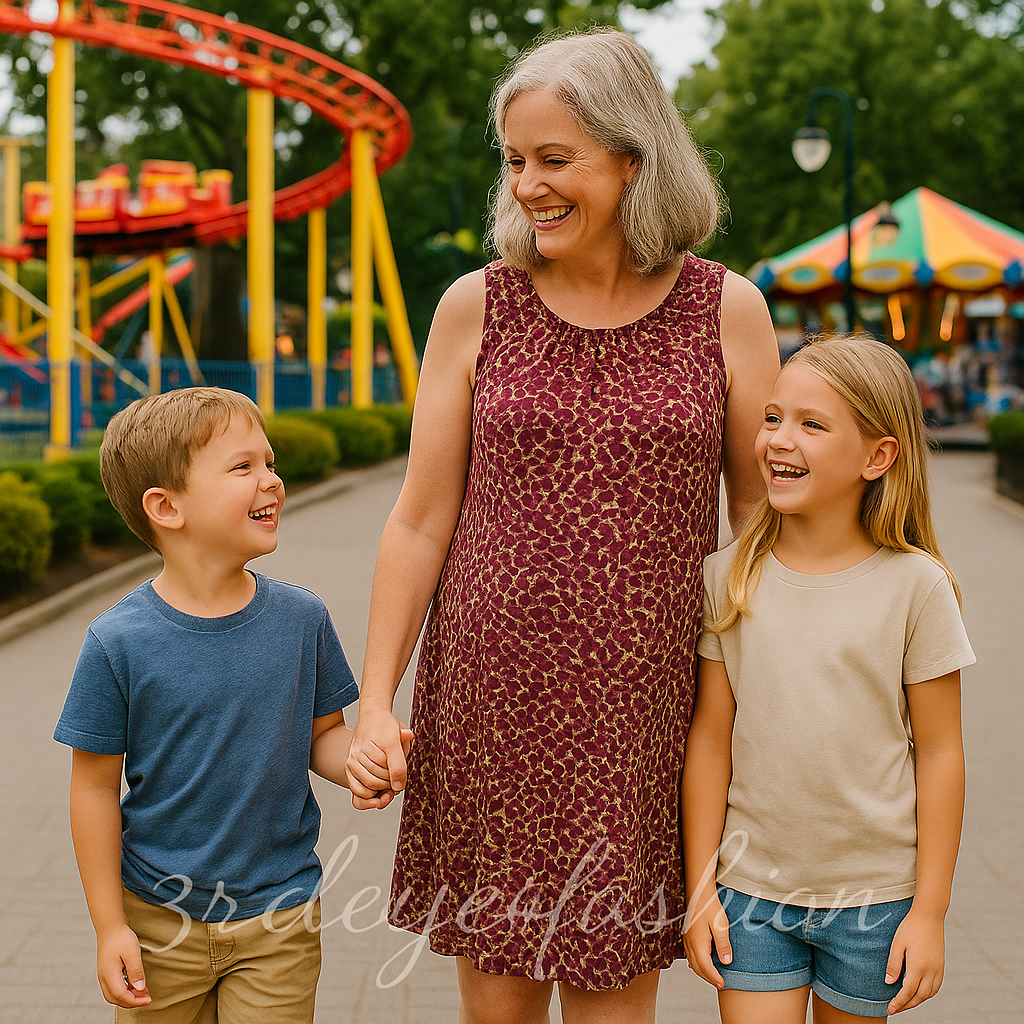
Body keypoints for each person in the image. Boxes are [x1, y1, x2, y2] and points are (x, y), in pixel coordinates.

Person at [345, 27, 780, 1024]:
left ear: (633, 159)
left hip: (646, 718)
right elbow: (417, 520)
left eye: (553, 159)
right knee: (496, 1013)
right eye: (513, 161)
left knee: (610, 1011)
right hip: (490, 710)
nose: (527, 185)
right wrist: (377, 701)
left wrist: (774, 696)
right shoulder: (477, 307)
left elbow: (760, 523)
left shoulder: (728, 310)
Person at [54, 388, 376, 1022]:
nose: (272, 481)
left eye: (270, 461)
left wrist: (363, 760)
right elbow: (92, 789)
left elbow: (323, 737)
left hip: (278, 915)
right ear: (166, 507)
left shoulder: (301, 618)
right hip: (156, 918)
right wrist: (110, 926)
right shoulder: (117, 642)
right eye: (242, 467)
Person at [682, 336, 974, 1022]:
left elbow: (940, 752)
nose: (780, 440)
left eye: (813, 425)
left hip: (874, 902)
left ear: (878, 456)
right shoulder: (727, 579)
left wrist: (930, 912)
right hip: (749, 895)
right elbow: (710, 741)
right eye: (774, 417)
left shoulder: (917, 587)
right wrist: (700, 890)